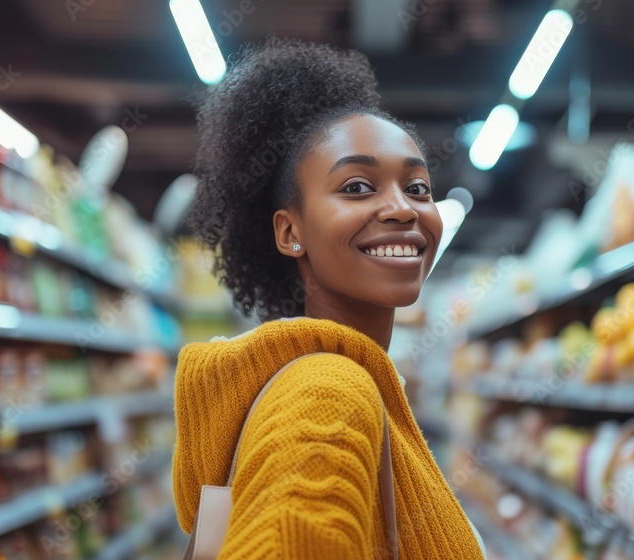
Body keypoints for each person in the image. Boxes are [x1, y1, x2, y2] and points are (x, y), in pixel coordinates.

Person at [172, 38, 487, 559]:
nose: (403, 209)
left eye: (418, 188)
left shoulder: (358, 382)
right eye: (358, 187)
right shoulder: (329, 392)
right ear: (290, 231)